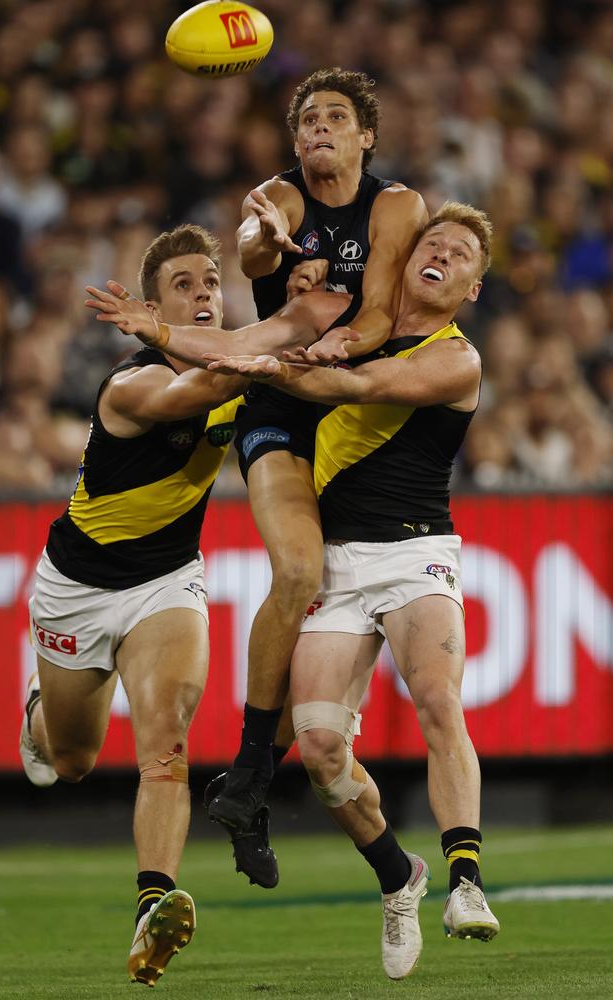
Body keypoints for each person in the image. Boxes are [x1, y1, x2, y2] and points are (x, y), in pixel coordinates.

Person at [206, 203, 501, 980]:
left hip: (415, 554)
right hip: (335, 559)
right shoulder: (350, 313)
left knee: (438, 699)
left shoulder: (456, 357)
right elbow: (275, 311)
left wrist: (290, 366)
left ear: (472, 287)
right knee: (322, 747)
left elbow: (369, 382)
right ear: (405, 257)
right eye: (433, 241)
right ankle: (397, 875)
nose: (443, 252)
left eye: (462, 253)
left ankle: (466, 881)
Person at [19, 223, 257, 988]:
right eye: (182, 286)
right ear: (153, 308)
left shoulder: (234, 365)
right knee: (73, 760)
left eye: (211, 283)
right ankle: (38, 713)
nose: (203, 296)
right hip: (76, 593)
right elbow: (205, 386)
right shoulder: (132, 383)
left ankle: (150, 911)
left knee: (165, 748)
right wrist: (287, 341)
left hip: (167, 584)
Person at [206, 67, 428, 872]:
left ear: (367, 135)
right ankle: (254, 769)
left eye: (335, 117)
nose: (317, 130)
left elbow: (377, 309)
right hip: (281, 409)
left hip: (356, 414)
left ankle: (254, 783)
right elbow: (257, 244)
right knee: (298, 572)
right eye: (306, 120)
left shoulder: (398, 206)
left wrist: (340, 344)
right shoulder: (279, 196)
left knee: (352, 590)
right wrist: (265, 244)